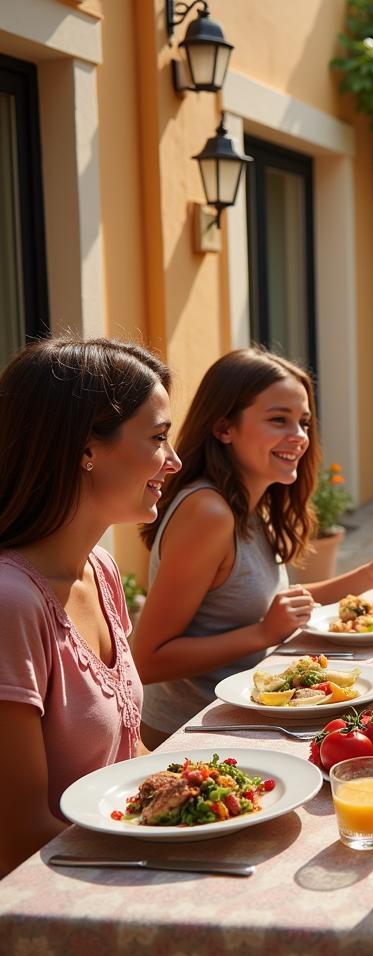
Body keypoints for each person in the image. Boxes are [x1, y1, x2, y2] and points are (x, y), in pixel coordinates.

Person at [133, 348, 373, 745]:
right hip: (197, 728)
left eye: (303, 422)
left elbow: (273, 605)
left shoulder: (248, 499)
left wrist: (367, 577)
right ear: (223, 428)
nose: (299, 437)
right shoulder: (209, 512)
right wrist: (263, 634)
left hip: (253, 708)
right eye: (278, 420)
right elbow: (145, 661)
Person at [0, 338, 181, 875]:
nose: (173, 462)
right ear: (86, 448)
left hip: (118, 867)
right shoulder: (12, 603)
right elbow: (17, 833)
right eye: (158, 438)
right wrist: (168, 861)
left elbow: (127, 759)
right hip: (53, 912)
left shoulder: (99, 570)